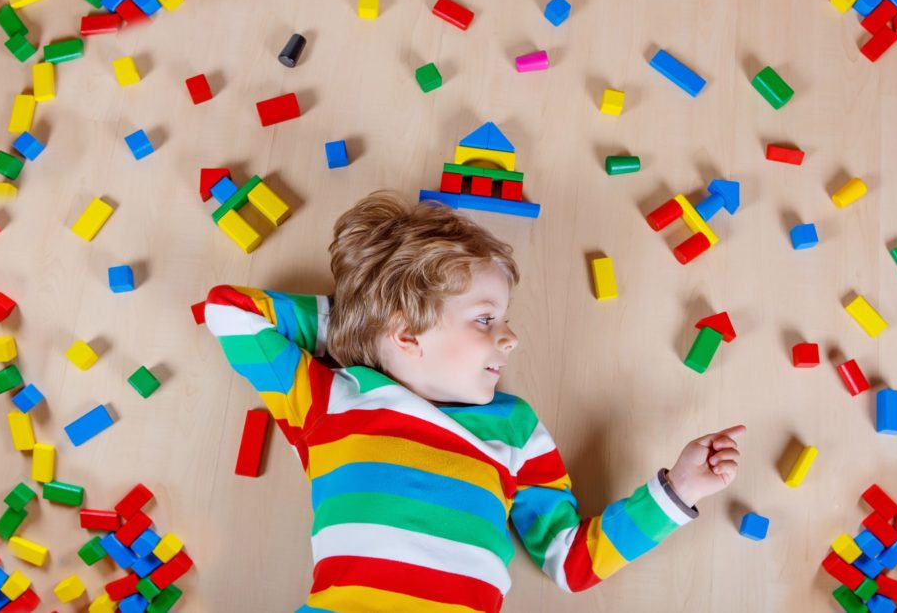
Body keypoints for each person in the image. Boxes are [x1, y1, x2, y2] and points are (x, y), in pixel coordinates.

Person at [204, 190, 745, 613]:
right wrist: (362, 329)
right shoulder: (334, 399)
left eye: (503, 319)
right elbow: (230, 312)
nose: (510, 338)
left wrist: (678, 490)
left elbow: (568, 560)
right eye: (486, 319)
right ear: (407, 332)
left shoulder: (515, 427)